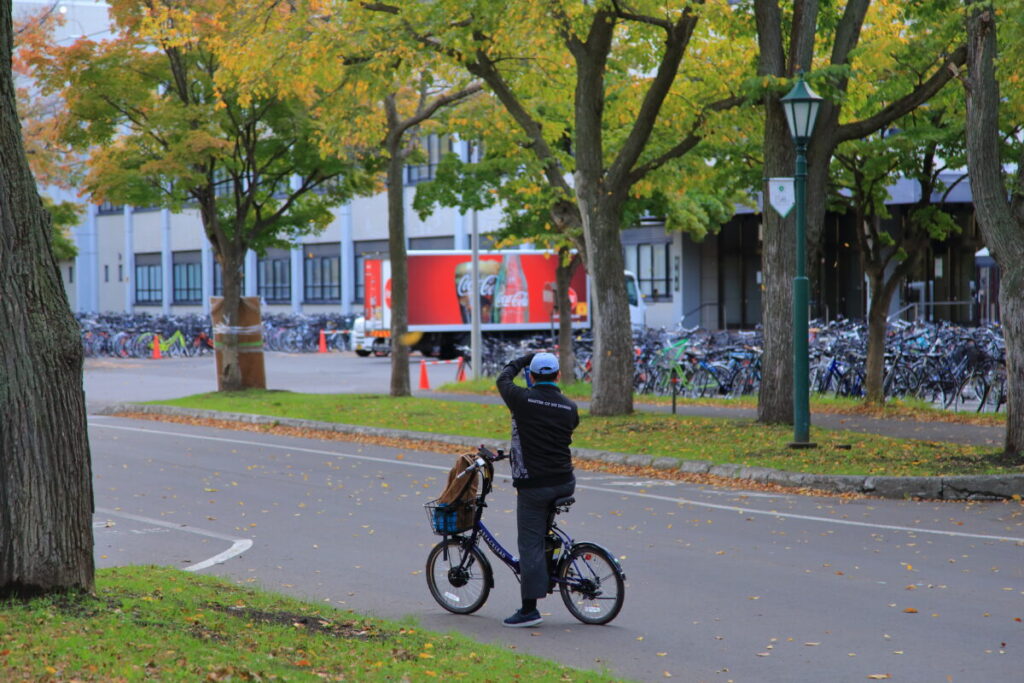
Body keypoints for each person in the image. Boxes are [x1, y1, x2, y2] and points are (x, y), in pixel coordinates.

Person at [495, 351, 579, 627]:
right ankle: (551, 564)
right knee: (542, 535)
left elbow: (503, 378)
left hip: (535, 485)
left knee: (530, 542)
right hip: (564, 481)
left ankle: (529, 609)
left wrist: (523, 358)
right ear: (558, 375)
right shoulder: (570, 408)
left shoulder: (522, 400)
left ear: (531, 375)